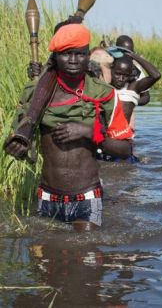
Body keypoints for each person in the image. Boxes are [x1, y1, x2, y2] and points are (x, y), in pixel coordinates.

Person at [4, 24, 133, 230]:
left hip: (88, 195)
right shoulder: (35, 93)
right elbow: (19, 137)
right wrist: (17, 147)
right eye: (66, 54)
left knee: (86, 250)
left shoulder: (104, 94)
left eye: (80, 54)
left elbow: (126, 150)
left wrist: (88, 132)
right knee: (45, 257)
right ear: (55, 57)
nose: (73, 60)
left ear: (87, 56)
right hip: (47, 195)